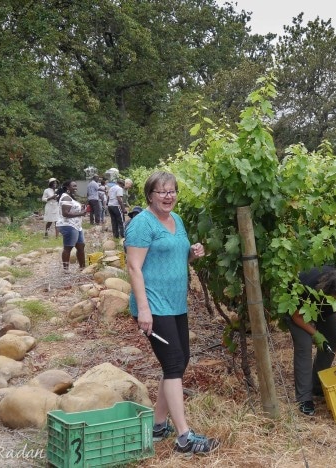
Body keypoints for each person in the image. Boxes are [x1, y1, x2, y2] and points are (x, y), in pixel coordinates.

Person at [126, 171, 219, 455]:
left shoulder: (176, 220)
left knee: (180, 361)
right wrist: (144, 310)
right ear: (149, 195)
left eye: (172, 191)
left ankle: (157, 425)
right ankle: (184, 438)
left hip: (176, 303)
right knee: (174, 363)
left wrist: (192, 252)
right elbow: (134, 267)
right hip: (154, 306)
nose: (168, 196)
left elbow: (177, 256)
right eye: (161, 191)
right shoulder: (141, 225)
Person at [284, 266, 336, 416]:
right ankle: (304, 398)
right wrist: (316, 335)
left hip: (322, 310)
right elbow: (296, 317)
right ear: (327, 292)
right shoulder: (308, 286)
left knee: (333, 337)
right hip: (297, 309)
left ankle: (317, 384)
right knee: (304, 344)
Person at [55, 180, 87, 270]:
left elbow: (72, 209)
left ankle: (82, 267)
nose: (76, 188)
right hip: (68, 225)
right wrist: (81, 213)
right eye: (73, 186)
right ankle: (66, 269)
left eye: (76, 186)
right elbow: (65, 213)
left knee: (81, 246)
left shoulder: (70, 197)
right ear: (68, 188)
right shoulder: (66, 198)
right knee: (68, 247)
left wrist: (81, 209)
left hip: (76, 226)